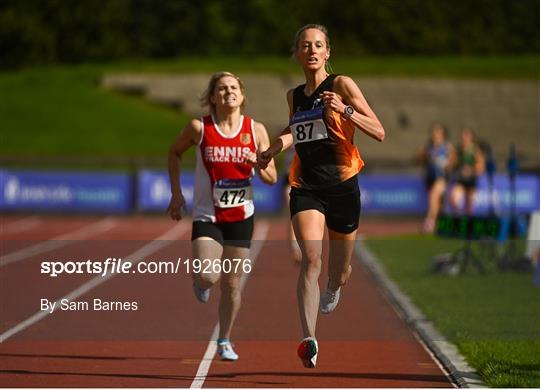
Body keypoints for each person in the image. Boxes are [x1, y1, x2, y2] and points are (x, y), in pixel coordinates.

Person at [257, 24, 385, 368]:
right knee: (311, 258)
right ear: (297, 53)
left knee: (339, 271)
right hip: (306, 185)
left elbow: (379, 131)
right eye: (305, 45)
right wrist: (273, 147)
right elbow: (295, 130)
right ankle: (309, 338)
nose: (312, 50)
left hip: (343, 185)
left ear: (327, 52)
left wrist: (345, 110)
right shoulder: (294, 96)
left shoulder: (342, 84)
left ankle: (335, 284)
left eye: (318, 45)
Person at [167, 71, 277, 361]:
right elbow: (174, 153)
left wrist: (258, 162)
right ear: (212, 97)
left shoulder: (256, 130)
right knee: (208, 275)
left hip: (242, 216)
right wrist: (176, 194)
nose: (229, 92)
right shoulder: (199, 128)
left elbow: (271, 177)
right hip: (207, 215)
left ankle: (224, 339)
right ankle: (199, 282)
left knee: (231, 283)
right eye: (222, 88)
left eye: (233, 87)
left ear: (242, 94)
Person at [418, 123, 455, 233]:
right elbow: (420, 158)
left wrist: (447, 164)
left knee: (433, 198)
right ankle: (438, 225)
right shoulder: (429, 146)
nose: (435, 134)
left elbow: (453, 161)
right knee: (437, 203)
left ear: (442, 134)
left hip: (441, 179)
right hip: (430, 178)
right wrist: (425, 155)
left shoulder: (447, 146)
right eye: (434, 132)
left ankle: (429, 223)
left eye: (438, 132)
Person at [450, 127, 485, 215]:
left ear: (471, 137)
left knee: (469, 204)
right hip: (460, 180)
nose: (464, 138)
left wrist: (471, 169)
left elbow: (481, 166)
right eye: (463, 136)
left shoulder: (475, 150)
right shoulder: (458, 150)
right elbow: (452, 164)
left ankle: (468, 221)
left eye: (466, 136)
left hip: (471, 180)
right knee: (454, 199)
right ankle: (458, 217)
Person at [282, 148, 302, 263]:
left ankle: (306, 247)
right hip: (291, 183)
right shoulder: (290, 150)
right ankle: (295, 249)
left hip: (308, 185)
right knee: (293, 217)